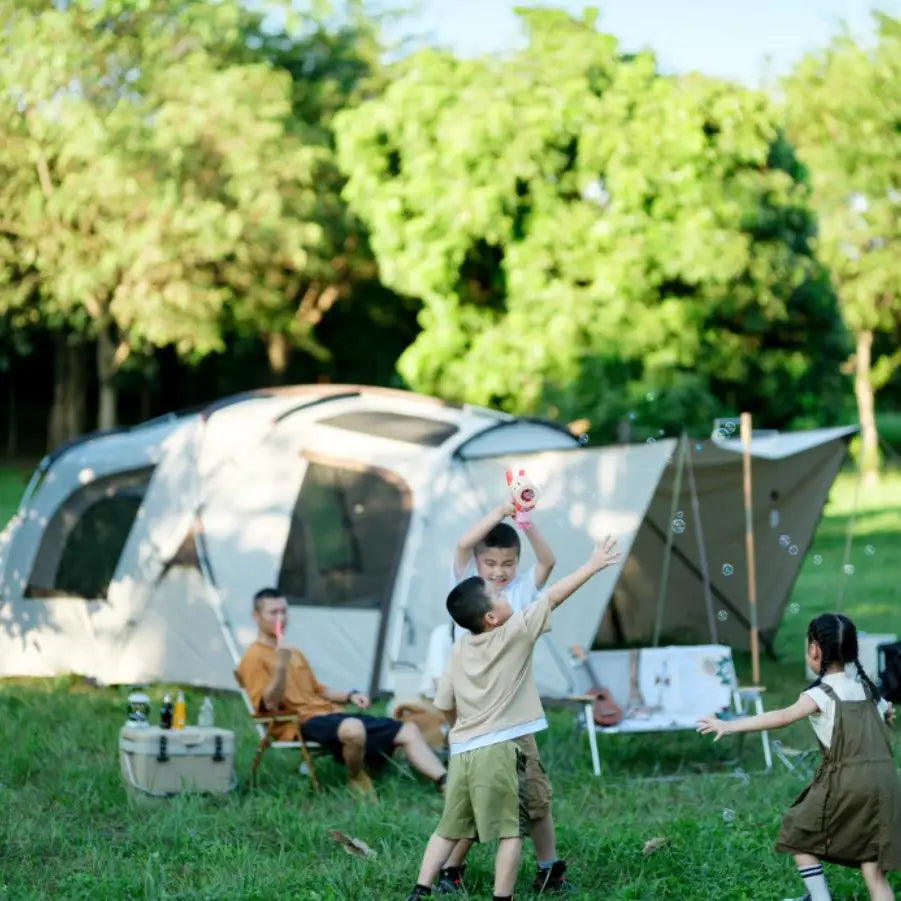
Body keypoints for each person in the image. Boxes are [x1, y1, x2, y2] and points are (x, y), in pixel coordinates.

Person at [405, 535, 622, 901]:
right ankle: (504, 896)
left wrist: (461, 725)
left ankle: (419, 890)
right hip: (504, 746)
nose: (509, 597)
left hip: (463, 751)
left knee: (449, 825)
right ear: (491, 617)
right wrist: (592, 565)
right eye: (501, 598)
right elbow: (553, 596)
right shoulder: (514, 633)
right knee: (510, 831)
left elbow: (444, 701)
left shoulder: (460, 645)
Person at [697, 613, 901, 901]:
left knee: (797, 831)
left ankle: (819, 898)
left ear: (815, 650)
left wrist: (729, 725)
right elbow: (885, 719)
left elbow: (783, 716)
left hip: (847, 781)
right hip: (886, 783)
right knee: (874, 867)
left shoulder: (822, 692)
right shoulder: (869, 690)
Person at [435, 499, 573, 895]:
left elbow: (548, 560)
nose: (499, 572)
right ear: (478, 565)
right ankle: (451, 869)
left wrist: (526, 522)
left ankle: (548, 869)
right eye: (490, 563)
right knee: (479, 804)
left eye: (508, 564)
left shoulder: (520, 591)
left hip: (514, 715)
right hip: (478, 715)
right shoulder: (468, 591)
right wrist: (502, 509)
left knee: (535, 795)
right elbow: (463, 545)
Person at [235, 588, 447, 795]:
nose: (281, 617)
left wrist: (350, 695)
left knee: (407, 729)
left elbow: (318, 690)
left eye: (284, 611)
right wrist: (280, 668)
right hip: (297, 722)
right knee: (353, 729)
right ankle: (356, 776)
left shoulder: (293, 651)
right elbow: (269, 705)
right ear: (256, 616)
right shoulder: (253, 657)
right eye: (273, 612)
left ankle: (446, 782)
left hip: (329, 715)